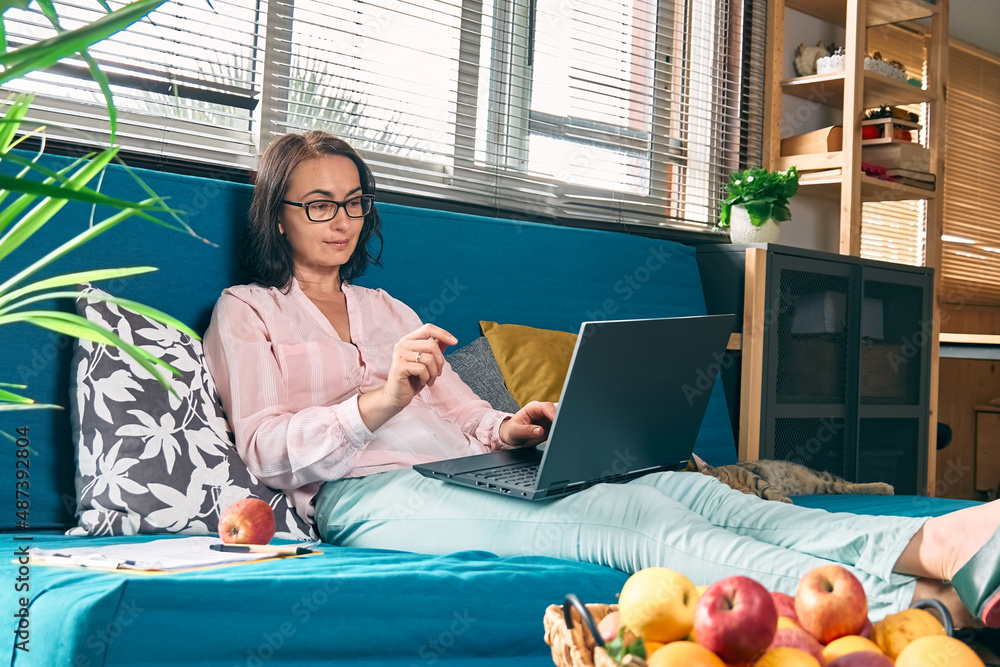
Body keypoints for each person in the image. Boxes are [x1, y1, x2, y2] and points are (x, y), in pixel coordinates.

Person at [203, 130, 1000, 627]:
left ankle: (954, 540)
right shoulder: (247, 311)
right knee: (640, 526)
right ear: (278, 214)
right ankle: (906, 610)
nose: (341, 219)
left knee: (697, 494)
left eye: (354, 201)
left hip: (469, 467)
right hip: (368, 494)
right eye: (318, 204)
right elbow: (267, 451)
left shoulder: (388, 306)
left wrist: (506, 429)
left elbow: (467, 413)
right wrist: (378, 401)